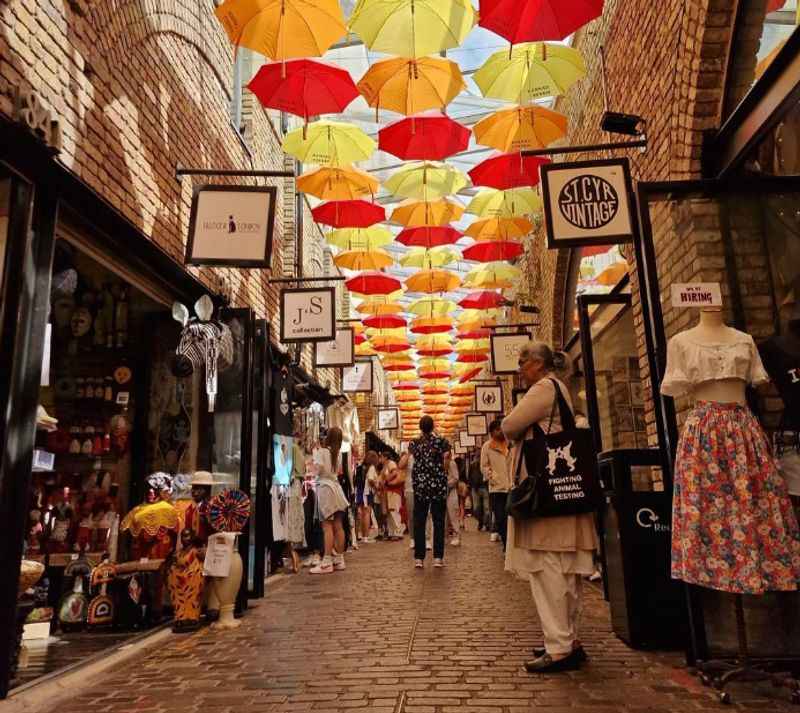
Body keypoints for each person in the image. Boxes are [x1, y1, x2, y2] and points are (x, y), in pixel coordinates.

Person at [503, 341, 598, 673]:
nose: (519, 367)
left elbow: (509, 426)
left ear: (539, 364)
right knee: (566, 568)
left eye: (523, 361)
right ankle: (568, 640)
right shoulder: (560, 387)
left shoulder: (543, 387)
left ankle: (558, 647)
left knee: (548, 570)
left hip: (546, 495)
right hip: (565, 493)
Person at [401, 416, 450, 568]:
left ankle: (419, 558)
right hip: (438, 486)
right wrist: (441, 469)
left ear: (420, 427)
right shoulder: (442, 442)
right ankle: (438, 557)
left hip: (420, 486)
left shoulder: (414, 443)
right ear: (433, 426)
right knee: (438, 521)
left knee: (419, 522)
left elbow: (402, 463)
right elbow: (447, 462)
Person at [310, 427, 351, 575]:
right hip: (337, 489)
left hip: (326, 489)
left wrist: (313, 458)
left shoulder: (322, 452)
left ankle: (326, 561)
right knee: (338, 525)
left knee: (327, 526)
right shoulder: (338, 454)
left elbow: (318, 469)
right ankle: (339, 559)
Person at [481, 418, 511, 547]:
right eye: (497, 430)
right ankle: (506, 545)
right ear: (492, 432)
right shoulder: (487, 447)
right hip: (497, 489)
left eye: (501, 429)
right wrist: (493, 477)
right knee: (501, 518)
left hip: (511, 487)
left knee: (512, 518)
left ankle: (511, 546)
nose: (500, 432)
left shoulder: (510, 443)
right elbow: (484, 466)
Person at [356, 451, 379, 543]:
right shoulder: (372, 467)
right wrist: (376, 487)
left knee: (361, 513)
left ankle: (361, 535)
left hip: (360, 491)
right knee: (367, 513)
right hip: (367, 492)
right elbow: (370, 479)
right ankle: (366, 536)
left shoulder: (361, 467)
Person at [382, 449, 405, 541]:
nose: (381, 459)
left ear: (385, 457)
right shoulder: (386, 465)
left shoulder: (391, 463)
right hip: (389, 491)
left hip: (393, 490)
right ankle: (392, 532)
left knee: (394, 510)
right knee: (390, 512)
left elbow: (394, 473)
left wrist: (386, 480)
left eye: (382, 457)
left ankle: (398, 532)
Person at [468, 456, 490, 531]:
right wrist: (471, 486)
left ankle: (486, 524)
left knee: (486, 508)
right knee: (476, 508)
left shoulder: (486, 465)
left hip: (484, 487)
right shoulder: (472, 465)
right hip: (475, 488)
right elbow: (470, 476)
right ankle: (480, 521)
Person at [445, 452, 461, 546]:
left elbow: (455, 478)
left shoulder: (451, 463)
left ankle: (456, 535)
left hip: (451, 492)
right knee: (443, 516)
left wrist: (446, 485)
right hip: (442, 493)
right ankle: (445, 536)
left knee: (453, 515)